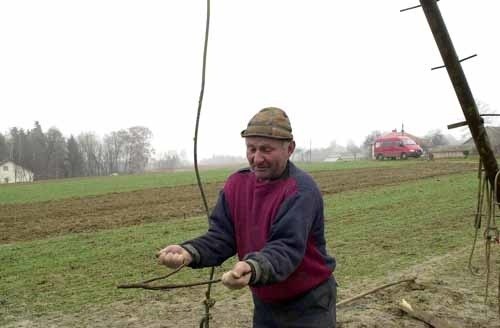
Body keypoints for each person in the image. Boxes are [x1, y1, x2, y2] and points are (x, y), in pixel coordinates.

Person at [157, 107, 337, 327]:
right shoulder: (236, 184)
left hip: (309, 302)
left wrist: (253, 267)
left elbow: (286, 247)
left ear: (289, 149)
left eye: (266, 149)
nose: (257, 158)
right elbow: (222, 236)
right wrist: (189, 252)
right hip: (265, 300)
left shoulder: (300, 190)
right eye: (251, 148)